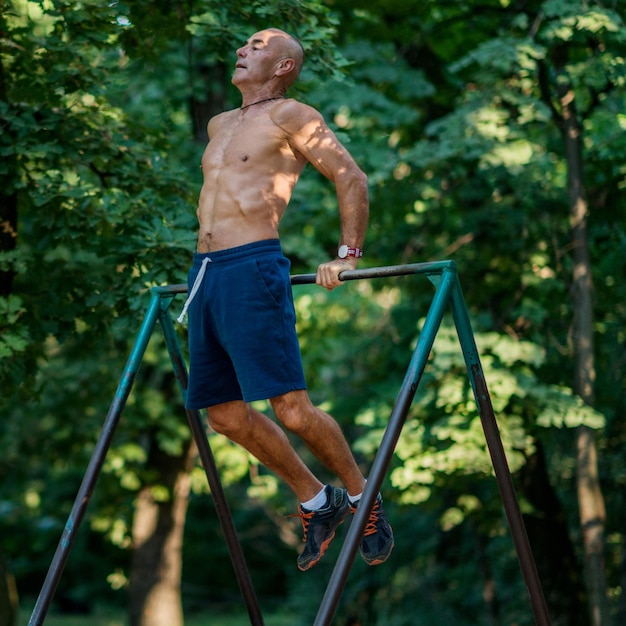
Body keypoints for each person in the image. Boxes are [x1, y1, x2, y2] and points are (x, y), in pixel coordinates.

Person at [177, 27, 393, 571]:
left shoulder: (293, 114)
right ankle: (318, 501)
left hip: (253, 266)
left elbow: (350, 176)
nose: (244, 48)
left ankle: (364, 498)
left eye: (259, 44)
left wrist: (348, 254)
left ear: (283, 67)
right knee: (224, 415)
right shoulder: (219, 124)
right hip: (205, 272)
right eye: (244, 43)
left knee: (292, 408)